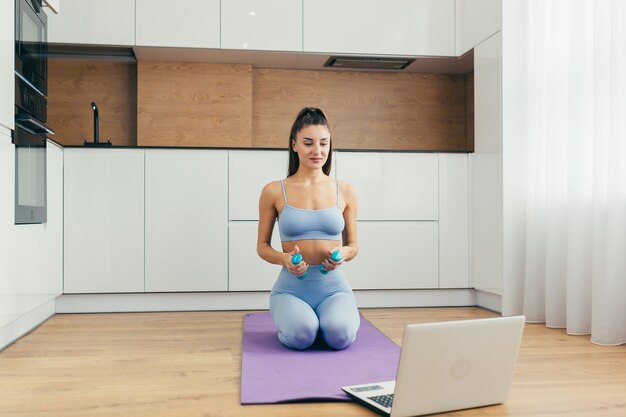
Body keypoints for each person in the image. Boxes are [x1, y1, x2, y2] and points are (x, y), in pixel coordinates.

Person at [257, 107, 361, 351]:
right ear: (294, 145)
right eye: (308, 143)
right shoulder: (273, 191)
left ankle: (328, 323)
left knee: (340, 337)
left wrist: (342, 254)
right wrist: (284, 259)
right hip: (291, 290)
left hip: (334, 288)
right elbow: (261, 247)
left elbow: (353, 245)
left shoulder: (346, 191)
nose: (317, 151)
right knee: (302, 337)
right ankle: (306, 324)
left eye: (323, 143)